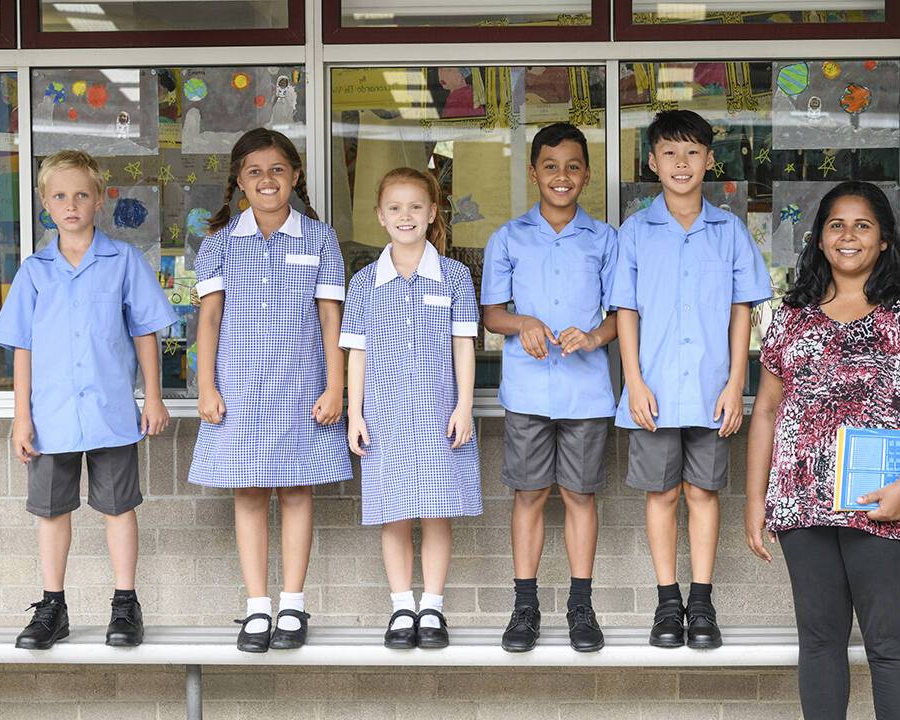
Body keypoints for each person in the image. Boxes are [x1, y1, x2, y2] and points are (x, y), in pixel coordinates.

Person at [745, 181, 900, 719]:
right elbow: (767, 411)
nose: (848, 236)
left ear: (884, 239)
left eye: (862, 225)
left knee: (889, 643)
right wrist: (755, 501)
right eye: (836, 225)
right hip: (802, 501)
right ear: (819, 239)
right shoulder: (792, 314)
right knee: (819, 642)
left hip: (883, 498)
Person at [0, 149, 177, 650]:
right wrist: (20, 418)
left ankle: (125, 604)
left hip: (111, 411)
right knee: (52, 511)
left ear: (99, 200)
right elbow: (23, 348)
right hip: (50, 418)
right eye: (58, 196)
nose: (70, 204)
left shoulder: (124, 261)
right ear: (45, 204)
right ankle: (52, 606)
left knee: (119, 507)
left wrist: (153, 397)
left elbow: (145, 333)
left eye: (80, 194)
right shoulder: (34, 271)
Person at [611, 109, 771, 650]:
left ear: (709, 160)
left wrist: (734, 384)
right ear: (652, 162)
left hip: (709, 391)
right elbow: (625, 312)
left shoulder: (729, 231)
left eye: (693, 152)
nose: (682, 163)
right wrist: (633, 380)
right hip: (652, 391)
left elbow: (740, 311)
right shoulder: (634, 233)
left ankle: (701, 604)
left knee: (703, 492)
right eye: (670, 153)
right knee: (661, 495)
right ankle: (666, 603)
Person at [189, 128, 350, 653]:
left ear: (296, 177)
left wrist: (336, 385)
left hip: (303, 389)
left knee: (297, 490)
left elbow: (332, 320)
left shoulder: (320, 240)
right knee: (250, 492)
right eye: (254, 171)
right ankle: (258, 607)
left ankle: (293, 604)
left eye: (278, 170)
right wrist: (206, 385)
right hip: (240, 390)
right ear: (239, 180)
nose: (267, 180)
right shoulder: (217, 245)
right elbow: (209, 321)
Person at [480, 123, 617, 653]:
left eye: (573, 166)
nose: (562, 176)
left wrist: (595, 334)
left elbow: (621, 316)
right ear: (534, 173)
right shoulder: (508, 237)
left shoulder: (604, 239)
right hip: (529, 392)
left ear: (586, 175)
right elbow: (492, 314)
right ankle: (525, 607)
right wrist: (524, 324)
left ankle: (581, 607)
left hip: (586, 393)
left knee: (579, 495)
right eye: (551, 166)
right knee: (531, 494)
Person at [340, 166, 481, 650]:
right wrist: (354, 413)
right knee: (394, 513)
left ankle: (433, 608)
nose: (406, 216)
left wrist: (464, 406)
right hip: (384, 416)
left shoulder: (455, 276)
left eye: (416, 207)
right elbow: (355, 352)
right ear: (380, 216)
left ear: (432, 213)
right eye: (395, 208)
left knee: (437, 512)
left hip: (439, 412)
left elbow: (464, 346)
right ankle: (402, 606)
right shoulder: (363, 283)